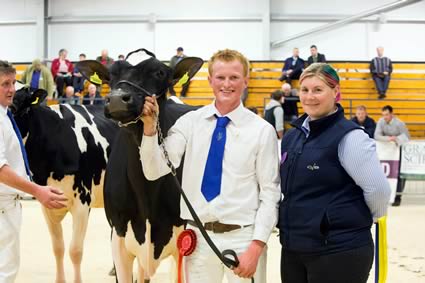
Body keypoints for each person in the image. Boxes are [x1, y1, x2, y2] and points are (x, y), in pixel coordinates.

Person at [140, 49, 280, 283]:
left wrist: (256, 246)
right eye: (221, 77)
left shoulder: (262, 131)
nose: (227, 84)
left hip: (243, 236)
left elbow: (270, 193)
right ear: (210, 80)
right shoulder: (189, 123)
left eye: (234, 77)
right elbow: (154, 170)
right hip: (197, 236)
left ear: (245, 81)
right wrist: (149, 130)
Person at [278, 63, 391, 283]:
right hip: (294, 247)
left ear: (336, 92)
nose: (309, 96)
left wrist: (348, 221)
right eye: (305, 90)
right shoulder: (292, 137)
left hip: (339, 250)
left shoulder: (350, 137)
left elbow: (379, 191)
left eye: (318, 90)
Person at [0, 60, 67, 282]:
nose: (11, 90)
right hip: (2, 207)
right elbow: (0, 169)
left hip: (8, 204)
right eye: (4, 84)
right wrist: (37, 190)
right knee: (5, 271)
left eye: (12, 83)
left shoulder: (5, 114)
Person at [375, 105, 410, 206]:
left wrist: (396, 140)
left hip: (398, 151)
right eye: (383, 115)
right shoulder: (381, 122)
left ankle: (398, 196)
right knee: (385, 173)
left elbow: (407, 136)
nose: (385, 117)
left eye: (386, 115)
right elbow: (376, 136)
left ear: (391, 114)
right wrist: (390, 139)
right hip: (385, 152)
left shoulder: (399, 123)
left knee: (398, 173)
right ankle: (384, 195)